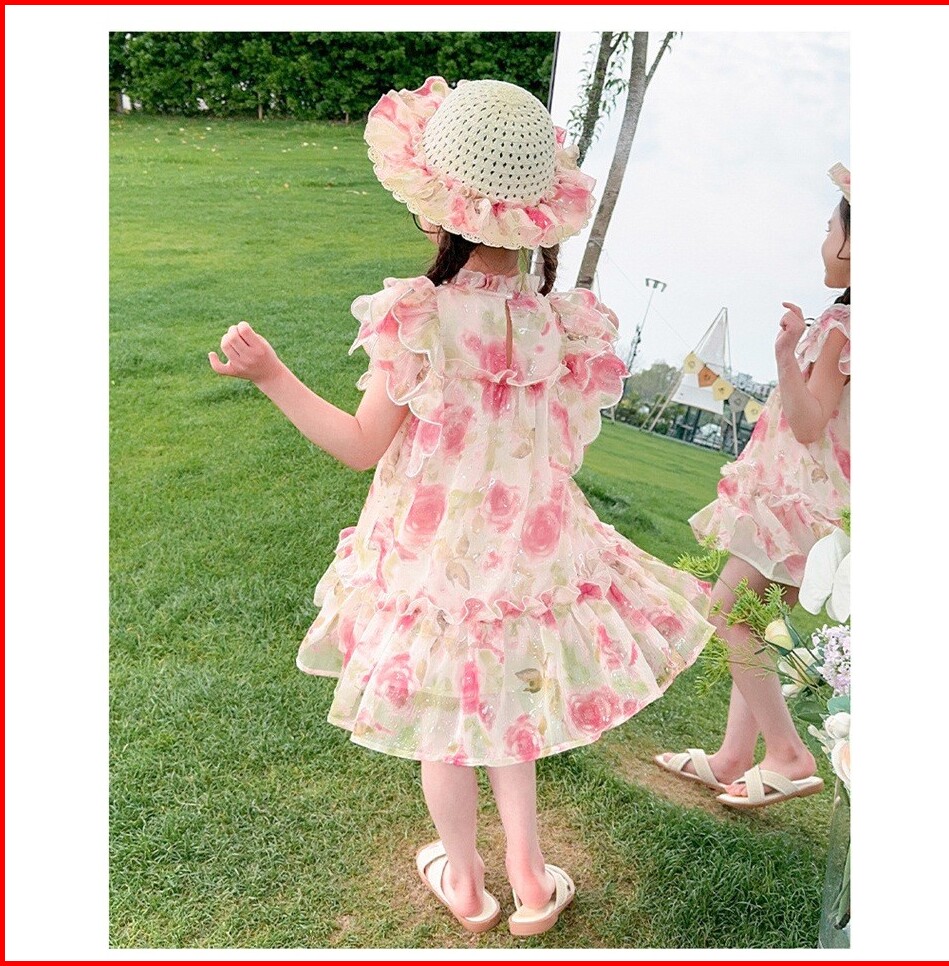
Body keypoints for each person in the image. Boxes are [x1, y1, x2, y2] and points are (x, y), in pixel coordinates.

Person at [210, 77, 714, 935]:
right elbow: (557, 448)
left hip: (433, 561)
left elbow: (361, 445)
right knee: (509, 715)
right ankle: (530, 880)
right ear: (531, 219)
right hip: (528, 558)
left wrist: (271, 375)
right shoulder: (563, 327)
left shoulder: (423, 318)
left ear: (439, 208)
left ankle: (468, 884)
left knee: (446, 728)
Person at [657, 163, 851, 809]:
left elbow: (809, 422)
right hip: (818, 504)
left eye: (830, 229)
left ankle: (788, 754)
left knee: (728, 614)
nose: (824, 241)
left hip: (798, 501)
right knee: (756, 622)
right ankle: (733, 757)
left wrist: (784, 357)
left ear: (855, 244)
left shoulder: (843, 326)